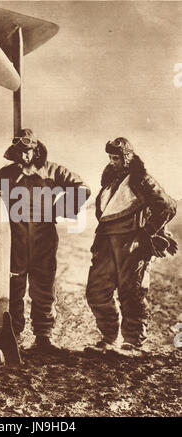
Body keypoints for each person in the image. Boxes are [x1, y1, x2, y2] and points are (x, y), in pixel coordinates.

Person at [0, 128, 91, 354]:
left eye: (28, 151)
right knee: (14, 287)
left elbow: (82, 189)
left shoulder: (54, 171)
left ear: (36, 150)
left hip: (43, 239)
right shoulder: (6, 174)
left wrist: (58, 209)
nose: (24, 156)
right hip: (14, 240)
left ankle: (43, 337)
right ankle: (13, 335)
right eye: (20, 152)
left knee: (44, 286)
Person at [86, 137, 177, 357]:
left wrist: (147, 232)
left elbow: (167, 206)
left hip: (132, 245)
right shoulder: (109, 182)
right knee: (96, 291)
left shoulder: (141, 179)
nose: (112, 161)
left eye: (116, 157)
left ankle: (134, 342)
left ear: (127, 158)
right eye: (110, 157)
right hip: (107, 242)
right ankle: (109, 338)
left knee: (132, 292)